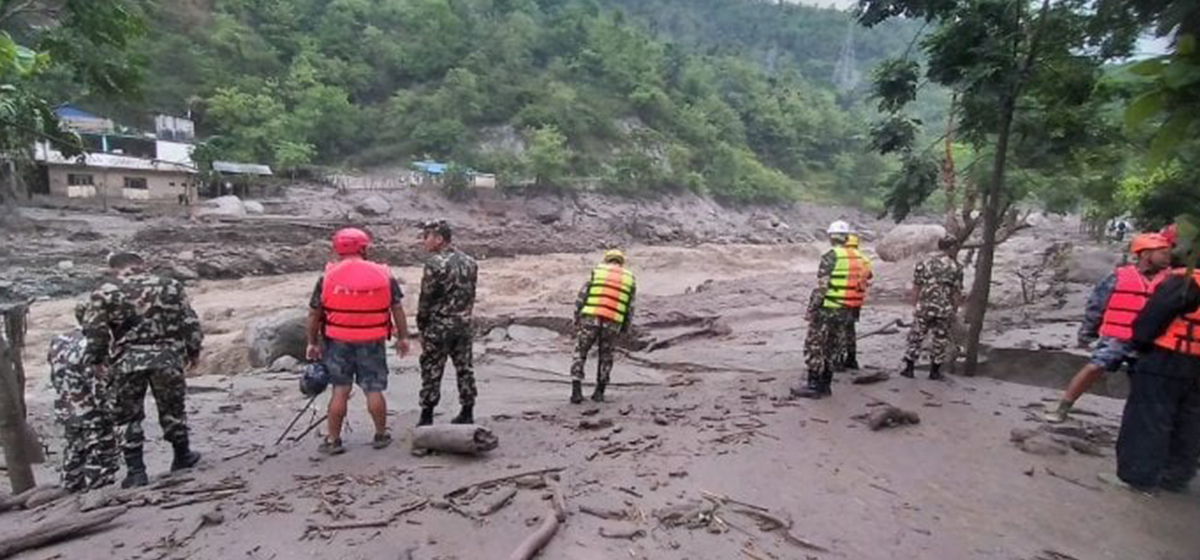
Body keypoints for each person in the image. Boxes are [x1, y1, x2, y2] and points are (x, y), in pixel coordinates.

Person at [82, 252, 203, 488]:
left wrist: (96, 359)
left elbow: (95, 330)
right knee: (173, 409)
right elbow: (189, 321)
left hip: (127, 360)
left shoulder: (105, 291)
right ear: (142, 264)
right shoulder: (170, 285)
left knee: (127, 415)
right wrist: (193, 350)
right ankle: (182, 456)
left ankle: (136, 471)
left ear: (114, 268)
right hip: (167, 357)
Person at [1044, 234, 1173, 422]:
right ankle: (1063, 407)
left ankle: (1144, 422)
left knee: (1149, 382)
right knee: (1094, 368)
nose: (1167, 257)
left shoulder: (1172, 280)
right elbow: (1097, 305)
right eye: (1163, 253)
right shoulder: (1118, 276)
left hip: (1152, 341)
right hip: (1117, 337)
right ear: (1145, 254)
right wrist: (1087, 333)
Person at [305, 228, 409, 455]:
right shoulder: (384, 274)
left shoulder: (327, 277)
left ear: (338, 248)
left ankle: (333, 440)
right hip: (372, 340)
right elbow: (397, 308)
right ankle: (381, 435)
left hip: (337, 341)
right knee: (374, 389)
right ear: (363, 248)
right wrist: (403, 337)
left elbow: (314, 313)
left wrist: (312, 342)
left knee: (340, 390)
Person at [1103, 250, 1200, 493]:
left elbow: (1151, 320)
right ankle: (1175, 477)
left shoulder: (1186, 281)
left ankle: (1139, 478)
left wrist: (1138, 346)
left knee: (1148, 419)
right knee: (1189, 421)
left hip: (1166, 359)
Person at [49, 301, 119, 492]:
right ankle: (94, 498)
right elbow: (98, 383)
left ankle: (68, 491)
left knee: (73, 452)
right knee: (101, 456)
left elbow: (55, 376)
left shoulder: (59, 340)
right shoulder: (94, 345)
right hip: (91, 410)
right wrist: (113, 411)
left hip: (66, 406)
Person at [416, 219, 479, 426]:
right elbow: (470, 294)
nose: (424, 241)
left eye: (427, 237)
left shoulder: (434, 264)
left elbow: (425, 299)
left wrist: (422, 327)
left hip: (439, 326)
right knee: (465, 368)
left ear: (439, 239)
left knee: (432, 370)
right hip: (463, 324)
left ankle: (426, 417)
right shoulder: (470, 262)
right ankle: (467, 412)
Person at [794, 220, 864, 399]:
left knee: (815, 346)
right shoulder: (858, 258)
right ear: (847, 237)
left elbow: (822, 288)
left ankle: (814, 385)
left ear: (831, 237)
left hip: (827, 308)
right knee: (833, 346)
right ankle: (826, 385)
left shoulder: (830, 256)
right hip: (846, 309)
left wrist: (812, 309)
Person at [570, 249, 637, 404]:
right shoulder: (629, 278)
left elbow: (582, 295)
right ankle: (599, 393)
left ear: (607, 260)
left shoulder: (598, 271)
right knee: (606, 356)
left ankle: (576, 392)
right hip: (612, 321)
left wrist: (576, 316)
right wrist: (625, 328)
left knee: (580, 352)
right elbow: (630, 307)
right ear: (621, 262)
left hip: (591, 317)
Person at [899, 235, 964, 380]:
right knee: (940, 339)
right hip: (943, 308)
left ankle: (909, 369)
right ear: (951, 247)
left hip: (924, 307)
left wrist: (914, 305)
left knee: (916, 337)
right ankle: (934, 372)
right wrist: (955, 309)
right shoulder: (956, 267)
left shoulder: (924, 263)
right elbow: (956, 292)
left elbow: (916, 286)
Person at [835, 233, 872, 370]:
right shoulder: (864, 259)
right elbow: (868, 276)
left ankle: (838, 361)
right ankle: (851, 359)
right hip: (856, 302)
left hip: (841, 300)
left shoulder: (841, 257)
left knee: (838, 330)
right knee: (850, 330)